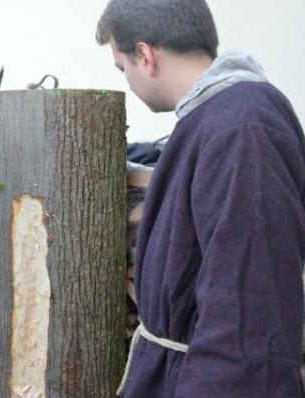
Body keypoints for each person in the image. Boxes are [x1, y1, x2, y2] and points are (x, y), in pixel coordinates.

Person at [96, 1, 305, 397]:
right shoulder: (218, 119)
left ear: (145, 55)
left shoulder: (243, 130)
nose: (127, 81)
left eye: (123, 69)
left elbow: (248, 326)